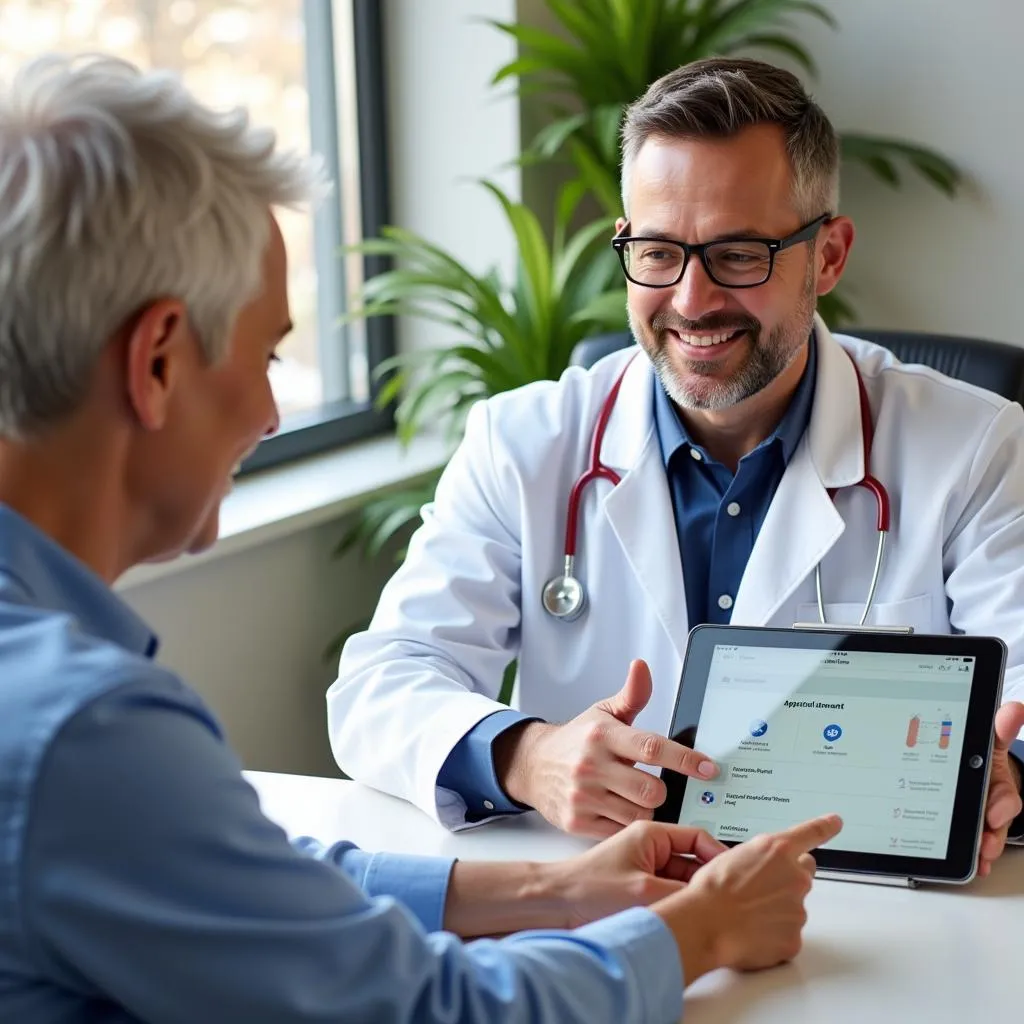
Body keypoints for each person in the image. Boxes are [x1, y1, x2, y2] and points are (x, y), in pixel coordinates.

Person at [0, 53, 846, 1024]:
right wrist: (698, 929)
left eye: (737, 253)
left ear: (825, 255)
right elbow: (435, 1010)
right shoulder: (81, 733)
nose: (274, 413)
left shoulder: (60, 718)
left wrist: (552, 891)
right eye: (268, 353)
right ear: (154, 362)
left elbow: (248, 879)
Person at [329, 57, 1024, 871]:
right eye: (659, 252)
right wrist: (527, 757)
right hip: (595, 903)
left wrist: (1009, 777)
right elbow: (382, 684)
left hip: (864, 910)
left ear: (828, 256)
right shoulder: (523, 442)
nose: (692, 301)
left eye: (738, 254)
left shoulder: (971, 443)